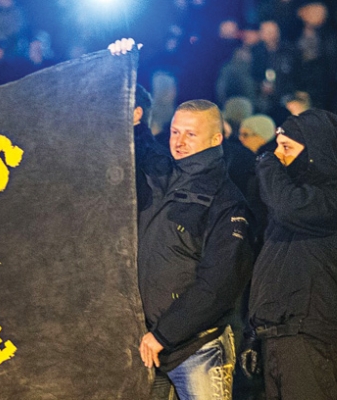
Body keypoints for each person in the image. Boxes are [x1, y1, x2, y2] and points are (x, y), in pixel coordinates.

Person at [111, 38, 255, 400]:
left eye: (191, 134)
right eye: (175, 131)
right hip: (149, 346)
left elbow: (218, 285)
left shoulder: (228, 203)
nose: (179, 141)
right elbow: (135, 143)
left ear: (216, 138)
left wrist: (165, 334)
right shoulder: (161, 172)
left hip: (198, 348)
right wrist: (120, 70)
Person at [245, 109, 337, 400]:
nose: (278, 155)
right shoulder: (289, 205)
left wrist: (266, 161)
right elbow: (269, 271)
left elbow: (287, 206)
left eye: (286, 148)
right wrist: (254, 332)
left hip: (309, 337)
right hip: (277, 336)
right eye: (277, 147)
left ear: (312, 153)